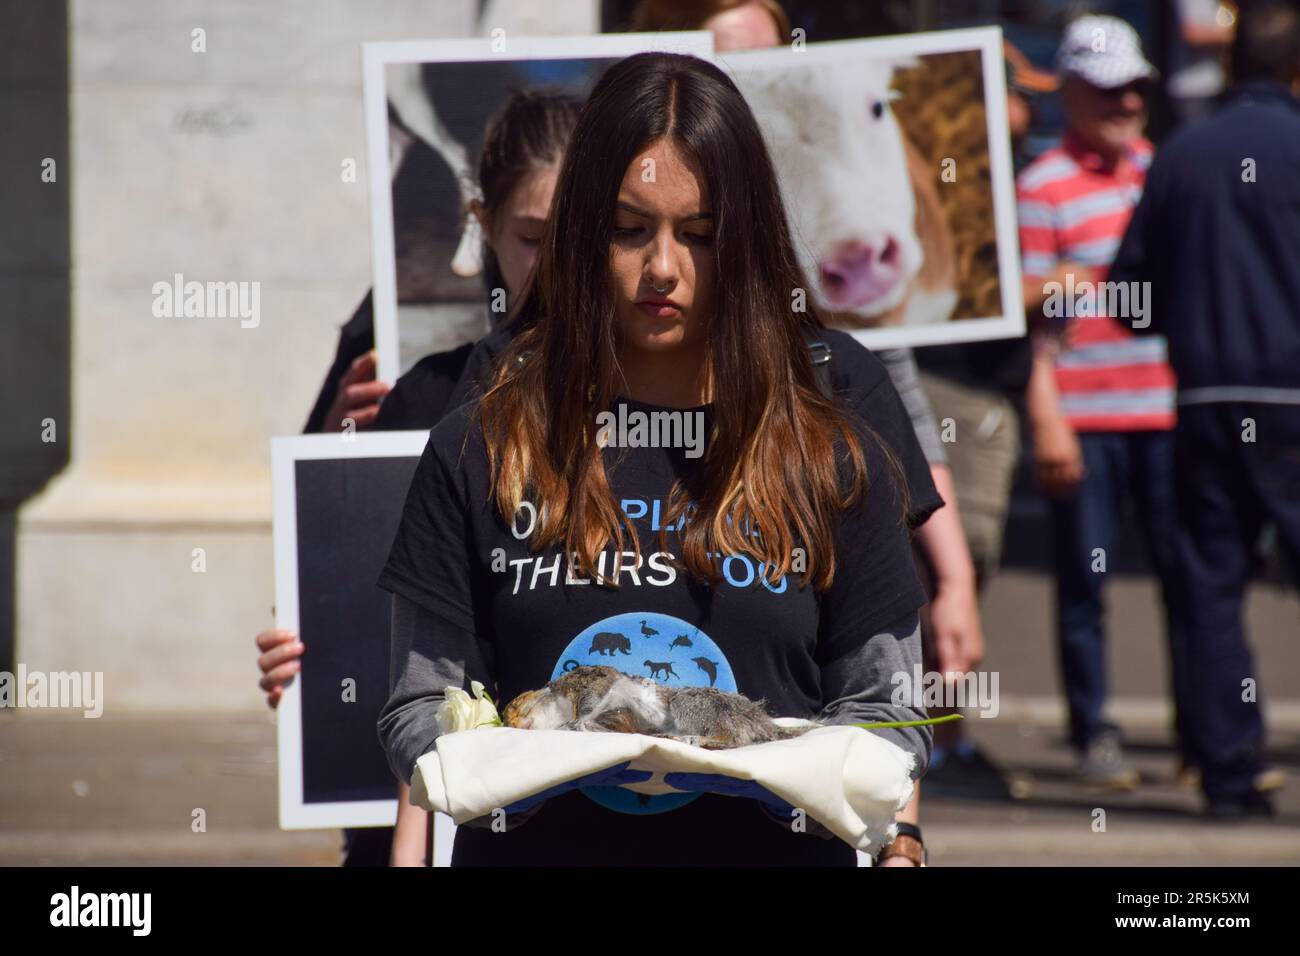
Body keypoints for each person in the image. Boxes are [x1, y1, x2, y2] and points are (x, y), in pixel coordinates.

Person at [377, 51, 934, 866]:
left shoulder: (828, 453)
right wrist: (505, 767)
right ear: (579, 235)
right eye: (628, 230)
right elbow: (417, 706)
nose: (663, 268)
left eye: (699, 235)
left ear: (746, 242)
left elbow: (889, 712)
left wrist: (794, 775)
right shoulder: (479, 445)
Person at [255, 88, 586, 865]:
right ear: (484, 226)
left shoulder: (672, 403)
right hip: (407, 823)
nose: (562, 267)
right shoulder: (423, 398)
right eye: (536, 237)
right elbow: (345, 591)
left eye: (589, 234)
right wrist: (305, 658)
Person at [1107, 0, 1300, 818]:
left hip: (1208, 397)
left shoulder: (1182, 154)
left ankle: (1228, 772)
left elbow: (1128, 295)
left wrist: (1192, 311)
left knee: (1211, 589)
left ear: (1231, 66)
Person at [1018, 15, 1190, 790]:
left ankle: (1202, 736)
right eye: (1111, 89)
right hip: (1083, 420)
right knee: (1084, 583)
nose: (1127, 103)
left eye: (1136, 88)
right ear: (1076, 91)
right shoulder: (1040, 183)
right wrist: (1045, 411)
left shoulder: (1168, 170)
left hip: (1168, 414)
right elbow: (1018, 308)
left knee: (1190, 580)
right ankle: (1095, 732)